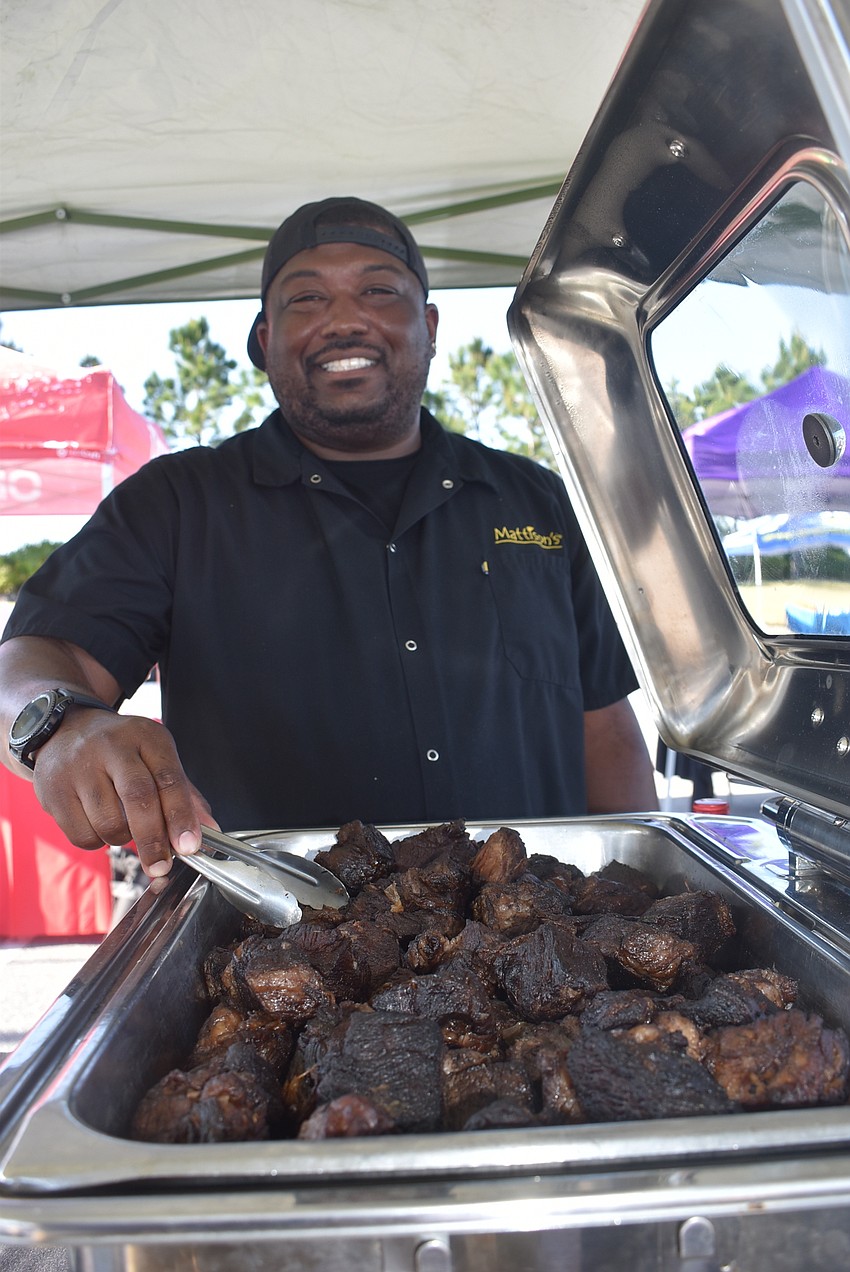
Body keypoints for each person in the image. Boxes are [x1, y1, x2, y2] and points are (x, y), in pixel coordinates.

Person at [0, 195, 657, 892]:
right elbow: (34, 660)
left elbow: (605, 726)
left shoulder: (537, 500)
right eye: (306, 300)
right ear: (263, 341)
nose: (344, 320)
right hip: (280, 955)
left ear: (429, 326)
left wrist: (649, 882)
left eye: (379, 291)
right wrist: (60, 728)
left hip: (541, 956)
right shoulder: (175, 503)